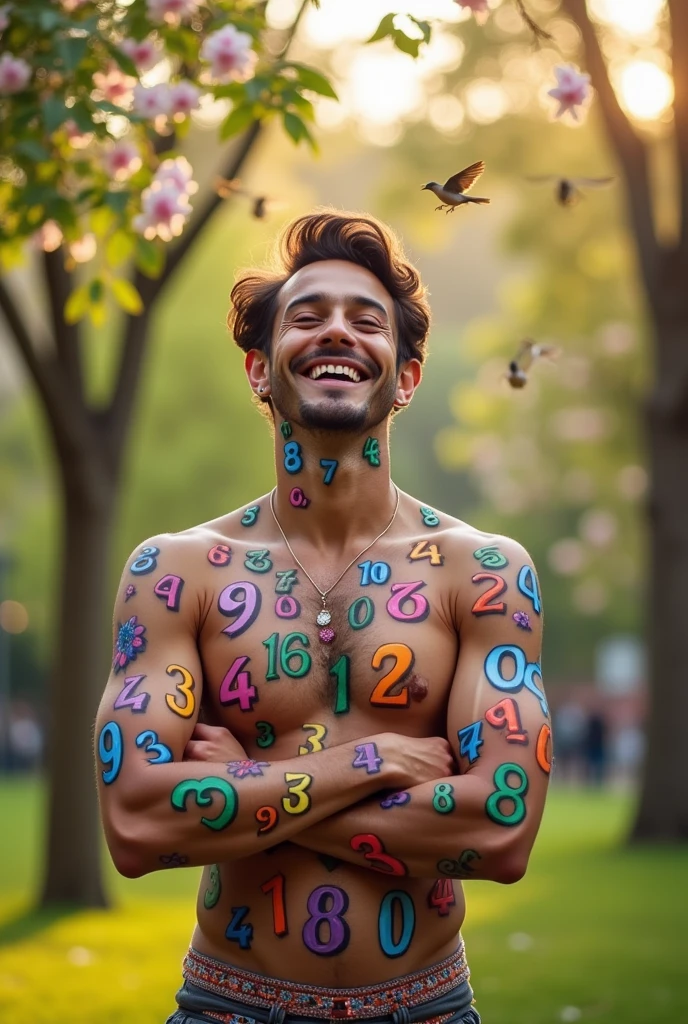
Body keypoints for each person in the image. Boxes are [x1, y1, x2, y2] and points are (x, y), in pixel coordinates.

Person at [95, 211, 550, 1024]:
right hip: (229, 1006)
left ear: (404, 378)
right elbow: (134, 822)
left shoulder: (484, 572)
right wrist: (372, 760)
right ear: (258, 372)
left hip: (428, 1008)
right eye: (306, 318)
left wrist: (245, 786)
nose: (335, 331)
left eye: (365, 320)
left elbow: (503, 832)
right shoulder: (174, 571)